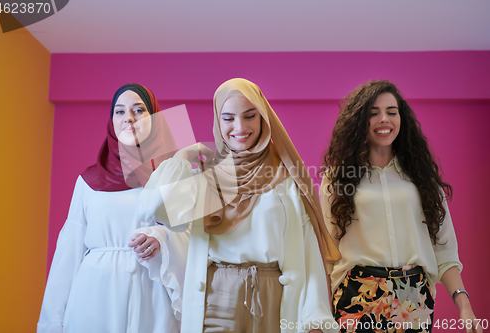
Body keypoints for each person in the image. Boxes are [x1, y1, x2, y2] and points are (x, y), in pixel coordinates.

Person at [137, 78, 341, 333]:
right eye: (228, 118)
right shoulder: (208, 176)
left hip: (275, 298)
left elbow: (309, 250)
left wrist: (315, 317)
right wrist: (182, 157)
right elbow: (157, 210)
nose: (239, 127)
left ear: (263, 118)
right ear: (217, 120)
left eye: (249, 116)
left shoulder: (286, 177)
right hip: (216, 300)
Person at [319, 80, 481, 333]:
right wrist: (320, 312)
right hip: (356, 295)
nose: (384, 119)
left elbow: (444, 249)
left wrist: (464, 304)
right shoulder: (337, 179)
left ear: (401, 118)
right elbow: (327, 253)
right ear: (359, 121)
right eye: (373, 113)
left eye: (391, 112)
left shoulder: (422, 177)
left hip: (413, 296)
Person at [37, 83, 190, 333]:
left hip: (151, 294)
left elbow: (193, 237)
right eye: (119, 111)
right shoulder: (88, 181)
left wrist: (162, 239)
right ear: (112, 121)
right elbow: (69, 251)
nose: (129, 118)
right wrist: (52, 322)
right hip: (95, 294)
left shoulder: (174, 174)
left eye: (139, 110)